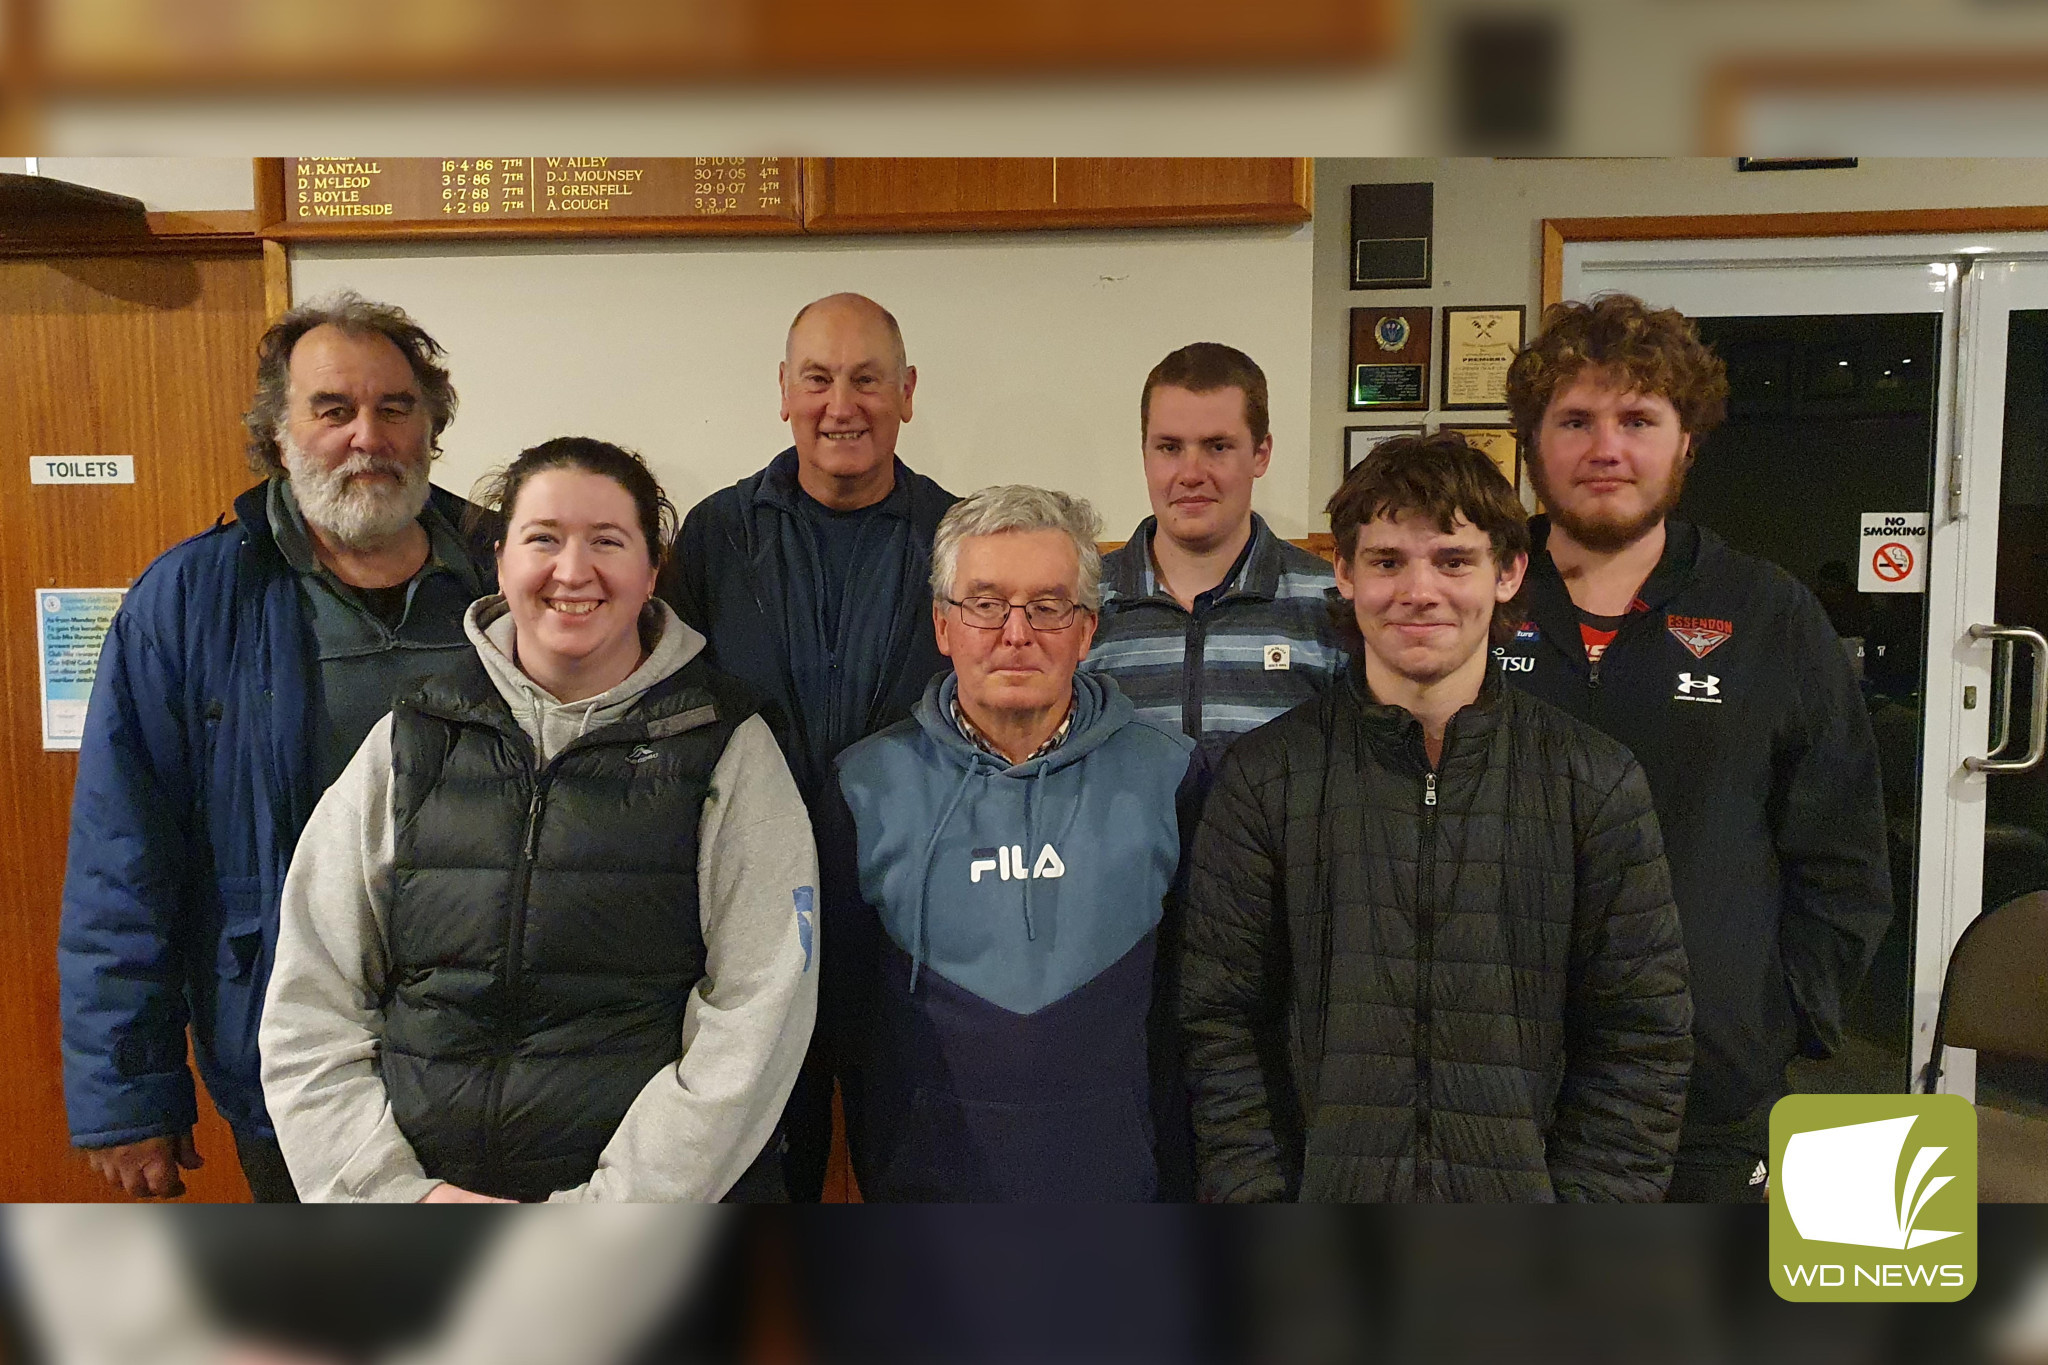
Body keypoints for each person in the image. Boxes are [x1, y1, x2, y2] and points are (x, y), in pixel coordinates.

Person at [260, 438, 817, 1202]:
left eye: (608, 542)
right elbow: (310, 999)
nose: (573, 570)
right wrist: (394, 1196)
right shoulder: (414, 734)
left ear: (651, 570)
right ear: (500, 559)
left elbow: (758, 1015)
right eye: (544, 538)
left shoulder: (726, 744)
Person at [58, 292, 498, 1202]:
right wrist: (127, 1089)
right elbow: (123, 856)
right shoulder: (189, 602)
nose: (367, 435)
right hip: (289, 1054)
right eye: (333, 409)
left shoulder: (514, 574)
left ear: (431, 426)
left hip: (497, 1054)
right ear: (280, 430)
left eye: (395, 407)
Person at [1180, 432, 1693, 1202]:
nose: (1420, 590)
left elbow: (1641, 1035)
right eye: (1387, 561)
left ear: (1509, 570)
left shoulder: (1594, 779)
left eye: (1453, 559)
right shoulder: (1265, 778)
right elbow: (1220, 1028)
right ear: (1345, 573)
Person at [1496, 294, 1893, 1203]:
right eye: (1576, 420)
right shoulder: (1470, 595)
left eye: (1639, 419)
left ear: (1686, 442)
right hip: (1499, 1086)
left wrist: (1773, 1018)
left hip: (1707, 1094)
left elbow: (1844, 855)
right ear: (1532, 441)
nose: (1607, 447)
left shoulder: (1770, 614)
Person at [662, 292, 956, 1200]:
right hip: (748, 926)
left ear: (907, 393)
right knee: (756, 1177)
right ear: (783, 392)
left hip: (912, 927)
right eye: (819, 379)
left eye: (867, 379)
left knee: (915, 1182)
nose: (842, 405)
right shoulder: (715, 536)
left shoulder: (960, 538)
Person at [830, 486, 1196, 1201]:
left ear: (1087, 629)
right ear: (943, 624)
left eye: (1049, 606)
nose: (1016, 632)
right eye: (986, 603)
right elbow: (842, 1019)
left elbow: (1196, 1014)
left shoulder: (1174, 775)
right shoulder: (863, 785)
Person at [1084, 342, 1343, 764]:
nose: (1190, 474)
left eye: (1217, 447)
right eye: (1169, 448)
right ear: (1145, 453)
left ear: (1261, 454)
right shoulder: (1081, 601)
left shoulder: (1329, 601)